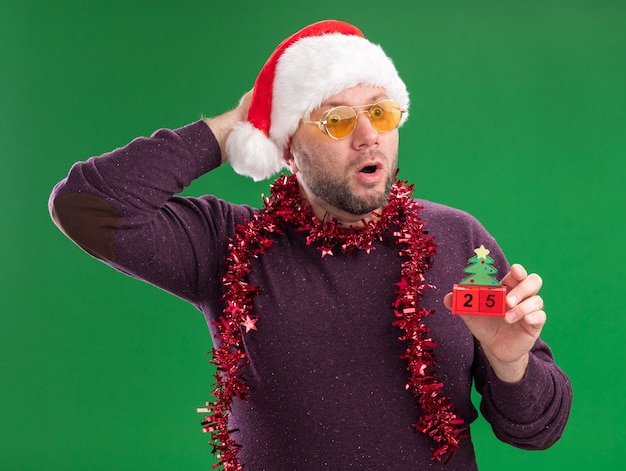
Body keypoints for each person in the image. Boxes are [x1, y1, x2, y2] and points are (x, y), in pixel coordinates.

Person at [49, 20, 572, 471]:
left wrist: (509, 364)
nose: (368, 136)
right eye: (337, 119)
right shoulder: (227, 244)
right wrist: (237, 124)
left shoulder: (459, 239)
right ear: (289, 147)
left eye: (381, 113)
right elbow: (84, 205)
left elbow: (538, 430)